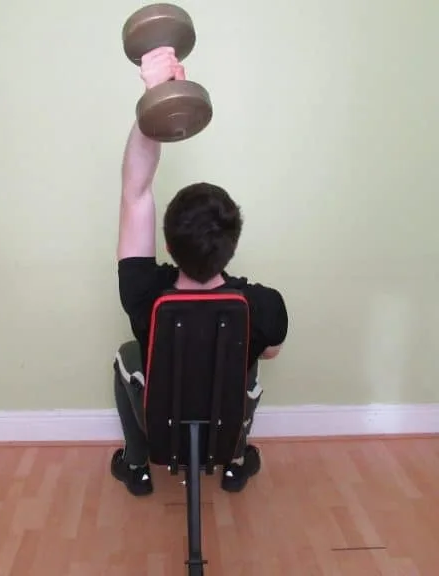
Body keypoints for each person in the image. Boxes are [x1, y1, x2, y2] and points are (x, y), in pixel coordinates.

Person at [110, 47, 288, 496]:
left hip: (162, 427)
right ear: (232, 246)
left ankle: (137, 464)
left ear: (167, 245)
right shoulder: (263, 305)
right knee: (250, 358)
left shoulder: (144, 294)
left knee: (129, 354)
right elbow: (270, 354)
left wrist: (155, 96)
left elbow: (135, 193)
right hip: (222, 428)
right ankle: (235, 460)